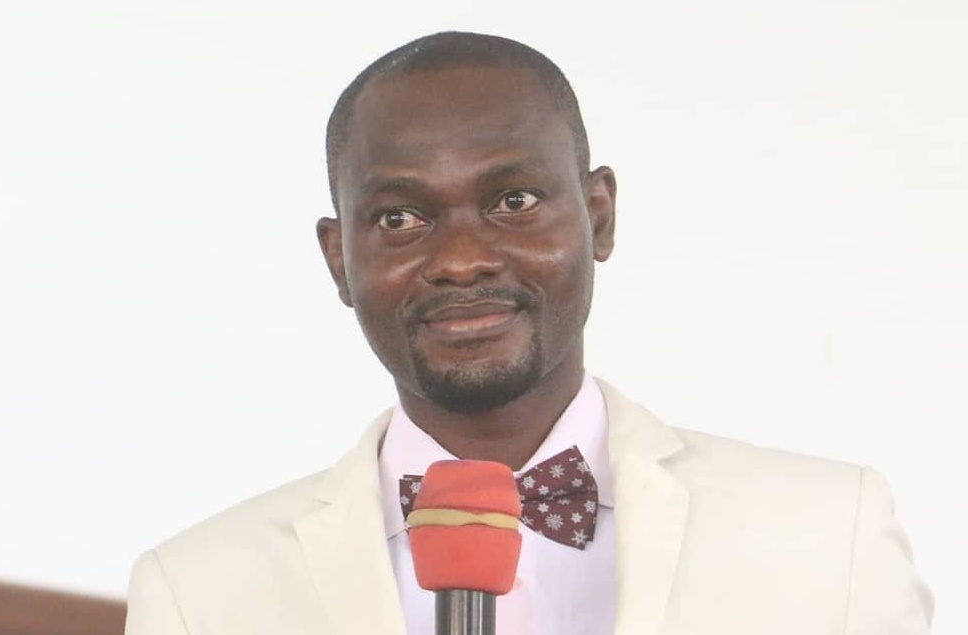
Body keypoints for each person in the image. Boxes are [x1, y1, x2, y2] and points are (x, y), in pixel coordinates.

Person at [124, 31, 933, 634]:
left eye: (513, 201)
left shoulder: (831, 532)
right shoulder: (198, 593)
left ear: (598, 216)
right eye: (400, 217)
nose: (462, 260)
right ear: (340, 259)